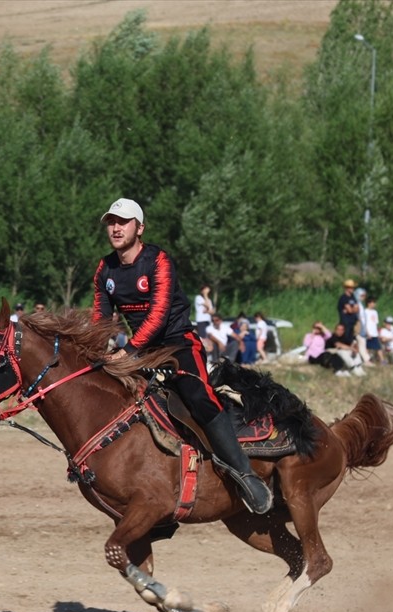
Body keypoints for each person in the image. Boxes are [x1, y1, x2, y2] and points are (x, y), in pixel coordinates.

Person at [91, 197, 271, 514]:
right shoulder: (105, 268)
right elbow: (101, 321)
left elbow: (159, 316)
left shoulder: (158, 260)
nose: (116, 228)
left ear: (140, 227)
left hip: (178, 344)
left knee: (199, 398)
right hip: (141, 351)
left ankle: (246, 474)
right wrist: (94, 354)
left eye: (123, 222)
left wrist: (128, 352)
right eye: (112, 222)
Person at [360, 295, 380, 366]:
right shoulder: (365, 312)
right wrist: (367, 332)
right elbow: (364, 323)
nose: (374, 304)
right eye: (373, 302)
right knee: (367, 347)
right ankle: (366, 360)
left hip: (375, 333)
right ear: (369, 303)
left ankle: (382, 361)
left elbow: (376, 323)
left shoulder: (375, 312)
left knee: (378, 347)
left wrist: (378, 332)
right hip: (368, 333)